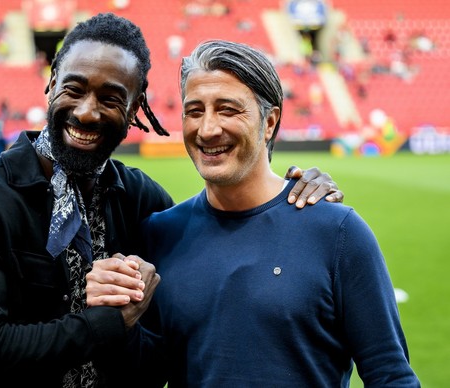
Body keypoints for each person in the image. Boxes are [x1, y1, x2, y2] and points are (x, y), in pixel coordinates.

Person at [0, 14, 343, 388]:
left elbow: (159, 362)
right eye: (73, 88)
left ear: (135, 108)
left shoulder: (144, 202)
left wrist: (294, 195)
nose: (87, 112)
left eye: (111, 99)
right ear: (51, 83)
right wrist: (106, 323)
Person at [86, 40, 420, 387]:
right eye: (195, 111)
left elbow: (390, 374)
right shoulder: (160, 235)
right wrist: (113, 318)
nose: (208, 129)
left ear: (270, 121)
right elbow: (145, 373)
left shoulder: (338, 232)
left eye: (228, 109)